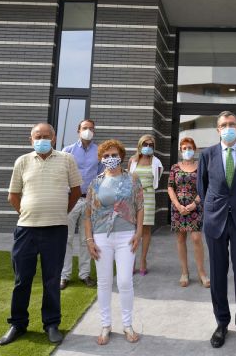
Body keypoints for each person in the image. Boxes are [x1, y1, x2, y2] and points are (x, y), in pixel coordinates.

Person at [0, 123, 82, 346]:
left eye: (46, 136)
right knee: (21, 279)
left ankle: (51, 324)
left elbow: (75, 191)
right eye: (38, 136)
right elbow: (13, 195)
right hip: (26, 229)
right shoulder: (22, 161)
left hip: (56, 229)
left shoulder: (67, 159)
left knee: (52, 279)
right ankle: (18, 324)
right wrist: (26, 212)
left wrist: (60, 212)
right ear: (30, 139)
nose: (42, 139)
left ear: (54, 139)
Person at [197, 111, 236, 353]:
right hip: (215, 220)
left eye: (232, 124)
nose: (228, 127)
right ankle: (221, 323)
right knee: (218, 274)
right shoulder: (207, 155)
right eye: (223, 125)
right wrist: (216, 206)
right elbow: (202, 187)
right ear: (217, 130)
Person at [84, 139, 144, 345]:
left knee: (125, 281)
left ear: (121, 156)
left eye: (114, 155)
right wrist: (89, 239)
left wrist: (139, 233)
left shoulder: (133, 179)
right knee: (104, 282)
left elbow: (140, 207)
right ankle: (105, 325)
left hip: (126, 235)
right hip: (101, 237)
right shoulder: (95, 183)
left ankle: (127, 324)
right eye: (106, 156)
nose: (110, 158)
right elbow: (87, 214)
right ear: (101, 159)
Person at [60, 119, 101, 290]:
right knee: (66, 239)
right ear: (78, 130)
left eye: (91, 128)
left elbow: (100, 177)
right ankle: (64, 275)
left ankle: (84, 274)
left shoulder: (99, 152)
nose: (88, 131)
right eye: (85, 128)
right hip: (71, 200)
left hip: (90, 200)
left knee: (86, 240)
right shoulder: (67, 151)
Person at [167, 136, 210, 288]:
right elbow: (170, 187)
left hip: (195, 207)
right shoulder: (175, 167)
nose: (187, 151)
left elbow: (205, 187)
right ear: (180, 150)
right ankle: (184, 272)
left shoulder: (200, 167)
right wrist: (177, 205)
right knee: (180, 238)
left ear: (195, 150)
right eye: (184, 148)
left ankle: (202, 272)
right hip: (178, 208)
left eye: (190, 148)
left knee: (197, 238)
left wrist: (195, 203)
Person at [128, 134, 163, 275]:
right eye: (145, 144)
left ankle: (143, 260)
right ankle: (131, 261)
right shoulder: (132, 160)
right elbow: (128, 179)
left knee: (146, 230)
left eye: (151, 145)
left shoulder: (157, 163)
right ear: (140, 145)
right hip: (133, 197)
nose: (148, 147)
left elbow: (157, 180)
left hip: (148, 196)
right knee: (132, 229)